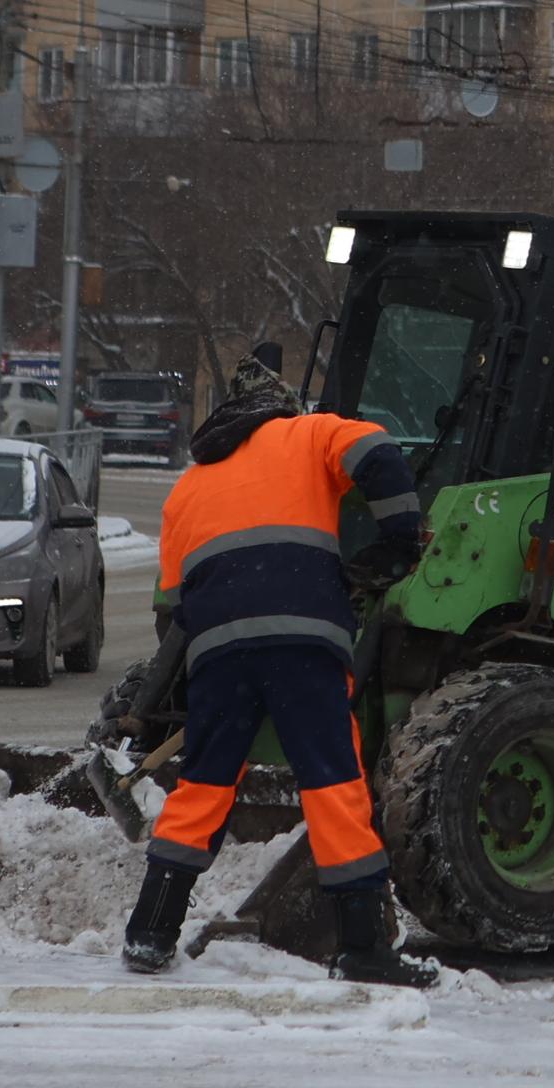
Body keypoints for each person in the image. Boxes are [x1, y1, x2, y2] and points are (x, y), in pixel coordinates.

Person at [120, 345, 437, 986]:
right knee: (332, 784)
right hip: (303, 638)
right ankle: (362, 947)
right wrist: (399, 539)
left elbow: (177, 602)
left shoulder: (189, 486)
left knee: (203, 787)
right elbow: (377, 452)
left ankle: (149, 933)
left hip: (219, 651)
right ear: (281, 408)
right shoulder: (309, 433)